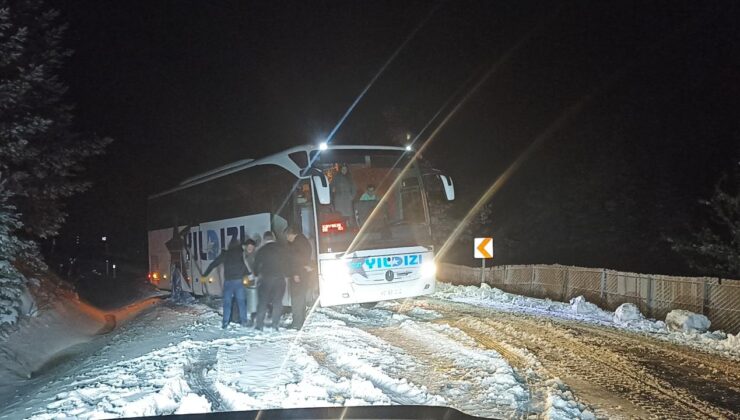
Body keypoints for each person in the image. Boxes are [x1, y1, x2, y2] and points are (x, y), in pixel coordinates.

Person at [203, 237, 250, 329]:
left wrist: (205, 275)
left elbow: (213, 264)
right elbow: (245, 267)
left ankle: (225, 322)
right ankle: (244, 322)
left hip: (228, 282)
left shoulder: (226, 254)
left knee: (227, 303)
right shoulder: (241, 254)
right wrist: (247, 274)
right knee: (241, 302)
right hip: (239, 282)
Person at [253, 231, 287, 331]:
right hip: (280, 278)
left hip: (266, 279)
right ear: (273, 238)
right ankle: (275, 325)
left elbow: (256, 265)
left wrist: (256, 274)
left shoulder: (261, 250)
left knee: (263, 302)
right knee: (277, 302)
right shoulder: (282, 249)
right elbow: (287, 262)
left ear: (264, 239)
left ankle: (259, 325)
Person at [285, 226, 312, 329]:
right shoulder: (304, 241)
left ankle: (296, 323)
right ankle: (301, 321)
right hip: (304, 273)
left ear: (291, 234)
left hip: (298, 274)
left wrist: (295, 273)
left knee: (296, 299)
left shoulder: (296, 243)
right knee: (301, 298)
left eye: (287, 236)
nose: (287, 238)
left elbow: (295, 259)